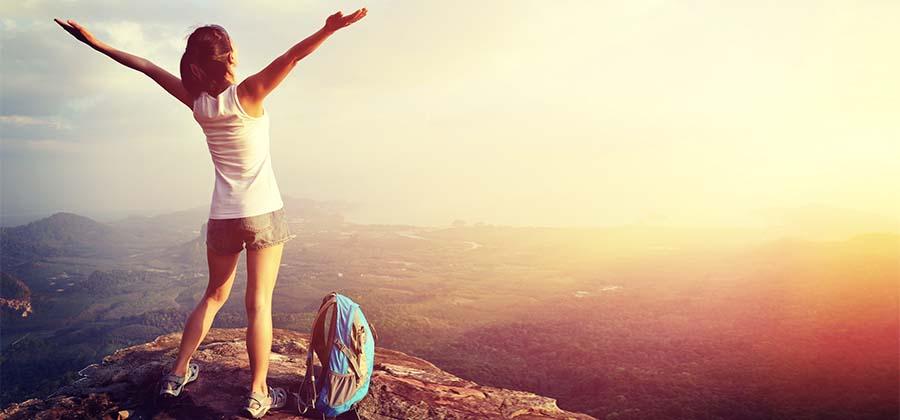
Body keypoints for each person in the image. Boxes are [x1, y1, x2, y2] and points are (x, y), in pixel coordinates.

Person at [53, 8, 367, 418]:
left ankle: (177, 372)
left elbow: (145, 66)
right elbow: (292, 57)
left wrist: (94, 43)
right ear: (230, 57)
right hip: (264, 213)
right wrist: (328, 30)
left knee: (214, 295)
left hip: (222, 216)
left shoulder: (198, 102)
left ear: (198, 65)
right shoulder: (250, 92)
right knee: (259, 304)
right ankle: (258, 392)